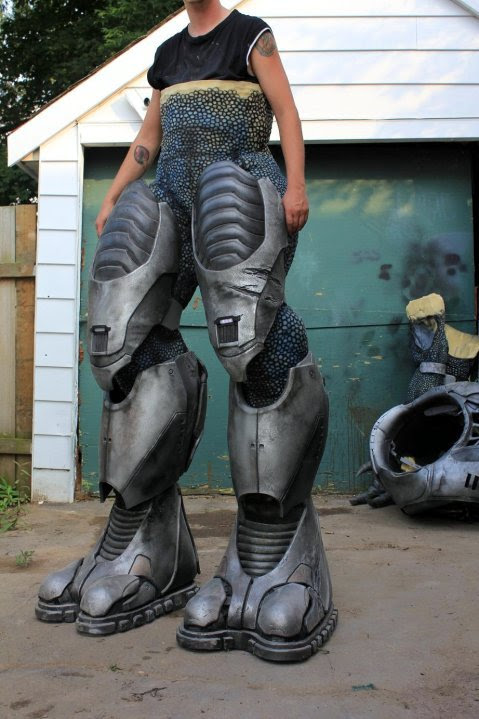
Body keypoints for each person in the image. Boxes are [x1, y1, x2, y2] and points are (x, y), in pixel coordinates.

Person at [35, 0, 337, 662]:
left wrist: (295, 184)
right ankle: (143, 539)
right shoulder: (168, 55)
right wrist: (116, 190)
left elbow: (286, 112)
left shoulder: (249, 35)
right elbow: (150, 136)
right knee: (125, 340)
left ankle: (278, 546)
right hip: (170, 189)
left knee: (252, 338)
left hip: (238, 182)